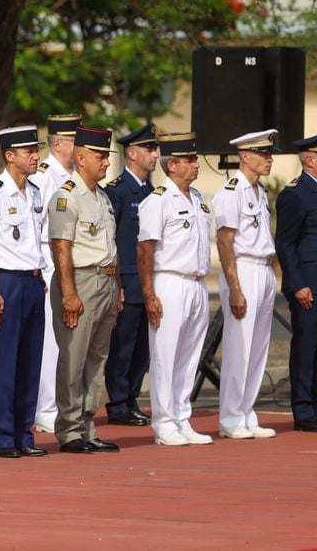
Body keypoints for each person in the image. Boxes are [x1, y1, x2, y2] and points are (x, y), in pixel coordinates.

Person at [0, 125, 48, 459]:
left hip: (32, 280)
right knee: (5, 361)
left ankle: (24, 434)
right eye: (29, 151)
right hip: (7, 282)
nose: (36, 156)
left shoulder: (35, 191)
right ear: (10, 156)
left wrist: (40, 273)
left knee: (31, 361)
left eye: (36, 150)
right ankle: (2, 436)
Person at [46, 125, 121, 454]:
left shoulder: (102, 197)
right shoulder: (66, 196)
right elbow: (60, 248)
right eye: (100, 156)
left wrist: (116, 288)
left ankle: (88, 425)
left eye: (106, 156)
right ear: (80, 158)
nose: (106, 162)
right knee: (74, 358)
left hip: (104, 281)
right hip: (80, 280)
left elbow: (111, 247)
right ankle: (70, 429)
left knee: (96, 359)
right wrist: (69, 293)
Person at [137, 132, 213, 447]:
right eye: (189, 160)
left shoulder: (196, 198)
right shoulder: (157, 200)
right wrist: (149, 294)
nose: (195, 165)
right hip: (169, 281)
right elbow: (145, 250)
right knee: (165, 356)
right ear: (172, 166)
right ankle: (164, 421)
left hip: (197, 283)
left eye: (195, 159)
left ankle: (182, 417)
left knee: (189, 355)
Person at [214, 130, 279, 440]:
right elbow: (225, 241)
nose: (269, 159)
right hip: (243, 269)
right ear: (245, 156)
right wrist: (235, 287)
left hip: (263, 269)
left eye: (269, 153)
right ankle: (230, 417)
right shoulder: (232, 191)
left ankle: (246, 412)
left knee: (258, 348)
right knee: (239, 345)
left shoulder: (260, 192)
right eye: (263, 153)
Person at [103, 124, 158, 427]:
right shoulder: (118, 192)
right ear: (132, 153)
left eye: (154, 149)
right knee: (122, 346)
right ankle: (118, 403)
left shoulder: (152, 192)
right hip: (127, 279)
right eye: (149, 149)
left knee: (142, 348)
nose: (155, 155)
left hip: (149, 280)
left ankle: (132, 397)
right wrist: (117, 284)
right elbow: (111, 240)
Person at [29, 114, 80, 434]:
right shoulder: (46, 175)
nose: (81, 147)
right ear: (58, 143)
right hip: (50, 266)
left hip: (72, 268)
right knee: (50, 344)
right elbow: (37, 226)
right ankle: (45, 407)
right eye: (76, 140)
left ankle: (62, 404)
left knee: (68, 343)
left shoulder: (74, 175)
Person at [274, 135, 317, 432]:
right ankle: (303, 409)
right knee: (307, 346)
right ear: (310, 159)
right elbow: (286, 243)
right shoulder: (296, 194)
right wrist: (298, 283)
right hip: (308, 283)